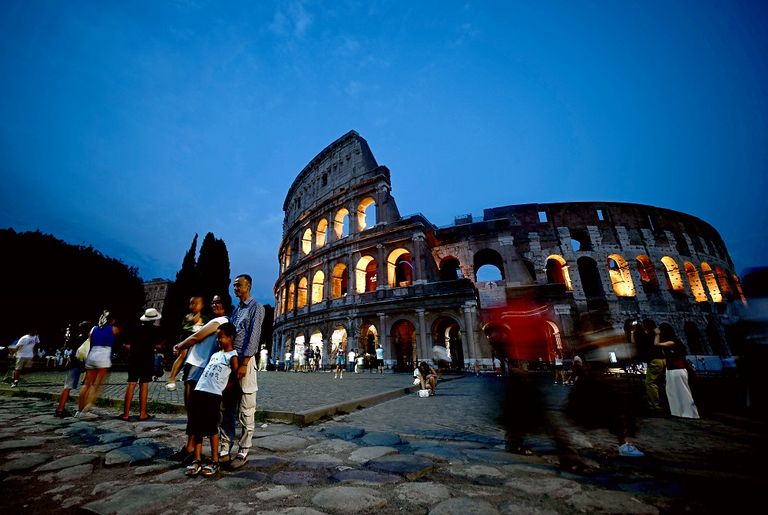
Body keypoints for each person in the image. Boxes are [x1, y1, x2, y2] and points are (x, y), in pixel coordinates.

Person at [170, 295, 230, 463]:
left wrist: (180, 345)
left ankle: (191, 448)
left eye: (218, 302)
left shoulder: (219, 321)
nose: (214, 304)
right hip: (198, 365)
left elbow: (196, 337)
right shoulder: (218, 322)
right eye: (213, 302)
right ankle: (190, 447)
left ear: (225, 305)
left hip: (198, 366)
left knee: (193, 410)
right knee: (193, 411)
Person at [220, 274, 265, 469]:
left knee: (247, 408)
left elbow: (253, 337)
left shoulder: (257, 307)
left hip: (245, 362)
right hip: (230, 361)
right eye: (234, 285)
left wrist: (245, 363)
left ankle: (244, 449)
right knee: (226, 406)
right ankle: (224, 446)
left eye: (238, 285)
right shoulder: (236, 310)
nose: (235, 288)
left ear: (249, 286)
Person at [185, 322, 239, 478]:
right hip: (199, 391)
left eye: (221, 337)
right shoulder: (215, 354)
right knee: (196, 428)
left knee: (211, 428)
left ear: (230, 337)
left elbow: (235, 378)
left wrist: (222, 388)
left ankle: (215, 460)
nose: (219, 340)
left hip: (213, 394)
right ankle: (197, 459)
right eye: (218, 338)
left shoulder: (232, 356)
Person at [120, 308, 163, 421]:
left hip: (134, 358)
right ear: (154, 320)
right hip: (147, 359)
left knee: (131, 384)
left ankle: (125, 414)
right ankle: (142, 413)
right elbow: (159, 345)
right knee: (144, 385)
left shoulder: (135, 328)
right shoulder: (155, 331)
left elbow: (126, 343)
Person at [76, 310, 120, 418]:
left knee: (87, 384)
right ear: (112, 320)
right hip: (103, 355)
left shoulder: (93, 329)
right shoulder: (114, 329)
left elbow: (90, 343)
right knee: (97, 386)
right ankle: (86, 410)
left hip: (92, 354)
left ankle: (79, 410)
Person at [655, 325, 700, 419]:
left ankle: (690, 413)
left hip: (677, 369)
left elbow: (656, 343)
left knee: (683, 392)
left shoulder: (673, 341)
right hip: (671, 370)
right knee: (672, 392)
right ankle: (678, 412)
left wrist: (657, 334)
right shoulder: (671, 342)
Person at [167, 296, 208, 391]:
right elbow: (194, 320)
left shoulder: (205, 318)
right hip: (186, 337)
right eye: (191, 303)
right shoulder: (188, 316)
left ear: (202, 305)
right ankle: (172, 377)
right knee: (183, 355)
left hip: (197, 340)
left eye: (196, 303)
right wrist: (198, 312)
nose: (193, 305)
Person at [54, 322, 90, 417]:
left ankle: (60, 408)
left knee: (67, 387)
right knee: (67, 387)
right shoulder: (84, 339)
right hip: (76, 365)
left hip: (73, 364)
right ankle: (60, 409)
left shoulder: (77, 338)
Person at [631, 319, 665, 415]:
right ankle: (658, 403)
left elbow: (634, 342)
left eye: (643, 324)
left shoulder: (649, 335)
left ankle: (656, 406)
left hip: (655, 360)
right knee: (656, 382)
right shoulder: (654, 334)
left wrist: (633, 331)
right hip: (658, 360)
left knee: (650, 383)